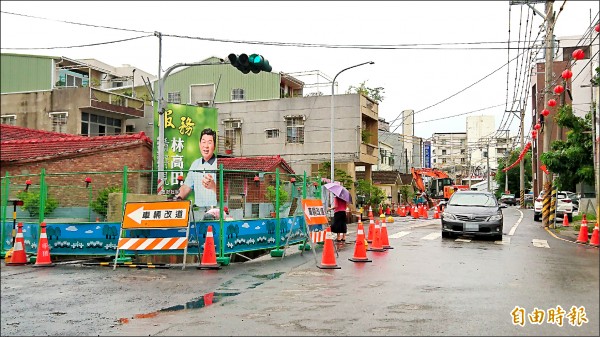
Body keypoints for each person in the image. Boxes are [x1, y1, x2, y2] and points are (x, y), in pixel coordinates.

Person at [174, 128, 217, 211]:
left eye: (209, 142)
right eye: (203, 142)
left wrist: (213, 187)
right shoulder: (195, 164)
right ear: (199, 144)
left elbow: (226, 195)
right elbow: (186, 187)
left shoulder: (219, 164)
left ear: (214, 146)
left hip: (216, 211)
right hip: (199, 211)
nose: (206, 146)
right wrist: (175, 198)